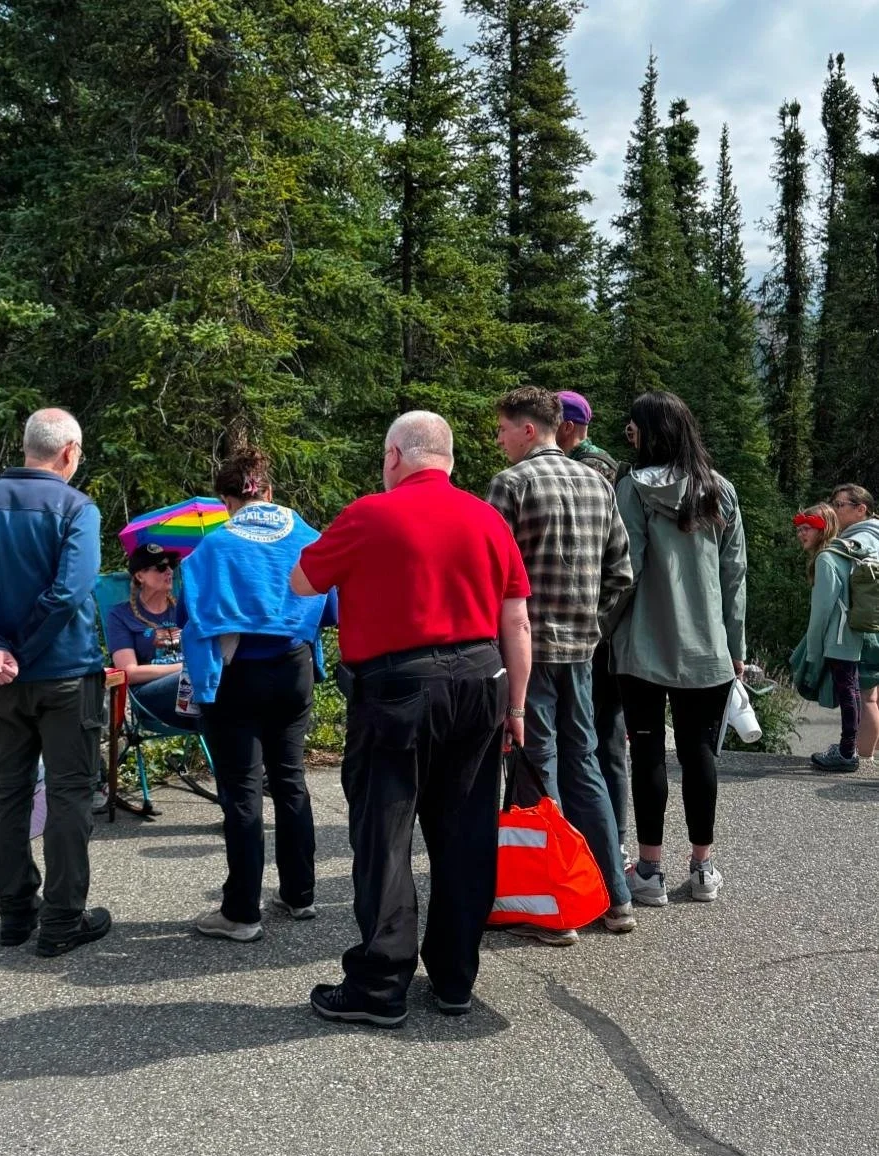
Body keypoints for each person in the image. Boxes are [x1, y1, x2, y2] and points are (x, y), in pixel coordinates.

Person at [291, 410, 531, 1028]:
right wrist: (518, 708)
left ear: (395, 455)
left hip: (397, 689)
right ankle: (454, 979)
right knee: (466, 834)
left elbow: (300, 581)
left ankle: (380, 985)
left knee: (385, 834)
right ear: (448, 460)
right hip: (482, 681)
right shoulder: (489, 519)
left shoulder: (370, 514)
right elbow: (517, 623)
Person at [0, 408, 111, 956]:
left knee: (9, 793)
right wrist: (17, 648)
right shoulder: (76, 508)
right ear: (70, 452)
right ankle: (62, 918)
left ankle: (15, 913)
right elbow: (70, 592)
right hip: (62, 673)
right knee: (68, 795)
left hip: (1, 681)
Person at [487, 386, 634, 944]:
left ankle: (554, 910)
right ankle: (615, 898)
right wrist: (589, 620)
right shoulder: (598, 482)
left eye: (503, 429)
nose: (499, 439)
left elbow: (489, 570)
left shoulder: (513, 484)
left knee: (537, 768)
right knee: (587, 766)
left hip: (529, 650)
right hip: (580, 649)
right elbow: (622, 572)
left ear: (529, 429)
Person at [182, 449, 335, 943]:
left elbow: (189, 612)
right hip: (294, 669)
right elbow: (330, 606)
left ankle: (242, 911)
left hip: (235, 676)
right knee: (290, 780)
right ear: (267, 492)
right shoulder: (307, 536)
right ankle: (300, 893)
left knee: (243, 791)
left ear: (228, 500)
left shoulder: (213, 547)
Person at [608, 391, 746, 907]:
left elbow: (629, 570)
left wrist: (603, 629)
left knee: (646, 753)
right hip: (708, 647)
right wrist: (735, 646)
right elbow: (734, 576)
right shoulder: (721, 491)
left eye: (633, 428)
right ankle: (703, 868)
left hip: (642, 646)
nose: (629, 435)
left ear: (650, 432)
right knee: (698, 753)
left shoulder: (632, 490)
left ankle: (648, 872)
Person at [556, 389, 629, 860]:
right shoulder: (593, 463)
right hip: (597, 623)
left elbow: (608, 560)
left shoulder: (591, 467)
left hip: (596, 629)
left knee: (601, 736)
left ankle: (610, 840)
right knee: (595, 735)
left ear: (565, 425)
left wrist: (596, 622)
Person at [788, 503, 871, 771]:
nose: (801, 534)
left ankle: (847, 753)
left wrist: (813, 651)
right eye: (799, 529)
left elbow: (821, 612)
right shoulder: (844, 552)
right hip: (852, 633)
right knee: (852, 691)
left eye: (807, 529)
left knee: (848, 693)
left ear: (821, 529)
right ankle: (849, 748)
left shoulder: (826, 558)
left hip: (838, 637)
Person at [106, 543, 190, 728]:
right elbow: (130, 672)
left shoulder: (185, 608)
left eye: (171, 566)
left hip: (190, 692)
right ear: (139, 575)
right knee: (197, 680)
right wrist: (185, 668)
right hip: (149, 695)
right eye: (160, 567)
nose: (168, 571)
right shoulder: (121, 615)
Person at [830, 484, 879, 762]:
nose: (834, 509)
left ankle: (862, 758)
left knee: (867, 696)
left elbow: (857, 556)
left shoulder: (863, 537)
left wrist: (830, 545)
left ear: (861, 509)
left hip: (867, 627)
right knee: (874, 695)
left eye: (840, 505)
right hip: (874, 624)